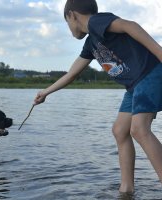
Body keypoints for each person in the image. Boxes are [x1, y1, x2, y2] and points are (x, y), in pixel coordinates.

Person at [34, 0, 162, 193]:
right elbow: (72, 74)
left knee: (139, 129)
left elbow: (129, 25)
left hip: (149, 73)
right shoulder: (91, 43)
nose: (69, 28)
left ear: (72, 15)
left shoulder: (96, 22)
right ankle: (126, 189)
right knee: (120, 130)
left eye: (66, 22)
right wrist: (45, 92)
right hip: (134, 86)